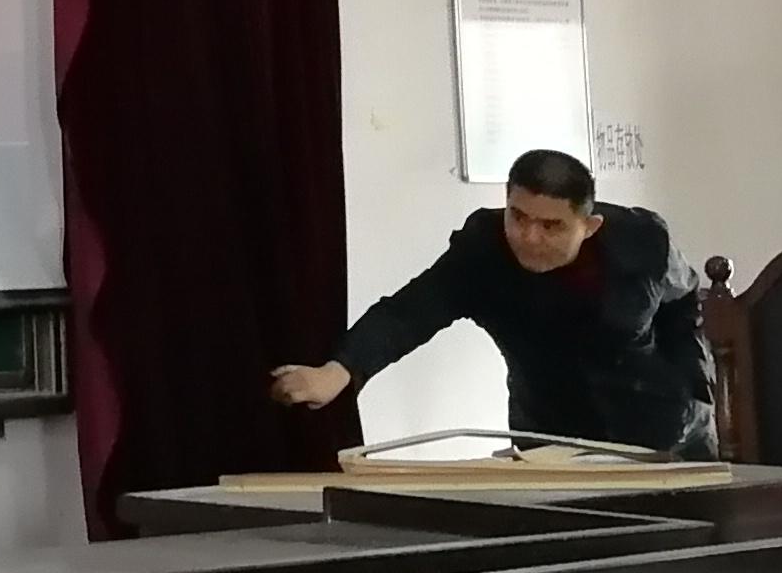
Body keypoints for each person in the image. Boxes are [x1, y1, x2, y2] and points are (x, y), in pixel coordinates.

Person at [269, 148, 713, 454]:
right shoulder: (483, 252)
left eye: (551, 226)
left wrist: (695, 388)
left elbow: (685, 301)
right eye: (517, 217)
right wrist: (340, 369)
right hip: (549, 436)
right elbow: (410, 311)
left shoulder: (641, 242)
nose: (529, 237)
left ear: (589, 226)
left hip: (661, 434)